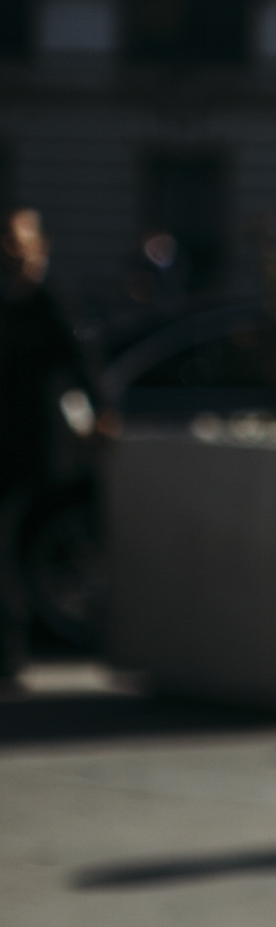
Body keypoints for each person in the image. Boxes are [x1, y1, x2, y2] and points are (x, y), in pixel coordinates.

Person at [0, 210, 92, 688]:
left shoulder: (48, 302)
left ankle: (10, 656)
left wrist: (100, 414)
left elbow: (81, 365)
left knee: (9, 549)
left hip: (30, 449)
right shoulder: (11, 300)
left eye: (21, 241)